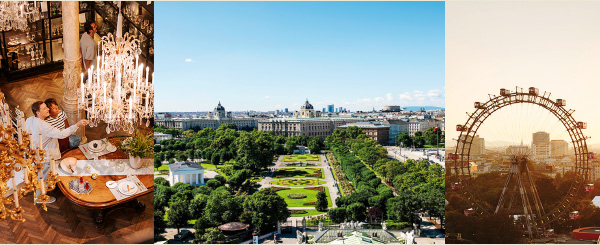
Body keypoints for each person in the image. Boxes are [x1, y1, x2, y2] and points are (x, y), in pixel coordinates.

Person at [24, 101, 88, 204]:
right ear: (38, 112)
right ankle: (40, 198)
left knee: (43, 174)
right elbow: (61, 134)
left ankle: (51, 186)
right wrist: (77, 125)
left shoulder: (30, 120)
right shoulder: (43, 126)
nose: (48, 109)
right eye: (44, 108)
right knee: (43, 178)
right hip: (45, 156)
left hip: (36, 154)